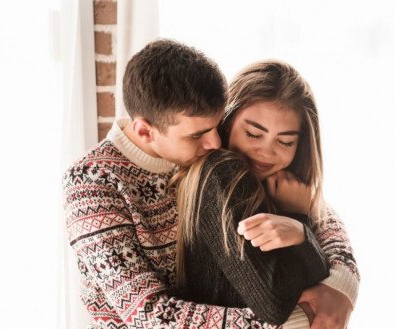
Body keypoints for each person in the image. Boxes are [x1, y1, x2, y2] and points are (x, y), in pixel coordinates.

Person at [63, 40, 358, 328]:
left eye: (217, 127)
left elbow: (321, 216)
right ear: (146, 131)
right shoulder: (92, 182)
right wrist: (298, 319)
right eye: (199, 134)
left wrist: (341, 285)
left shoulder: (197, 139)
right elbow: (150, 315)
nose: (215, 142)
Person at [173, 60, 359, 327]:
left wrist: (299, 227)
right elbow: (275, 305)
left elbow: (316, 284)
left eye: (285, 141)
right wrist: (298, 220)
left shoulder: (280, 187)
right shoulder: (221, 172)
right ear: (227, 122)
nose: (266, 152)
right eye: (253, 134)